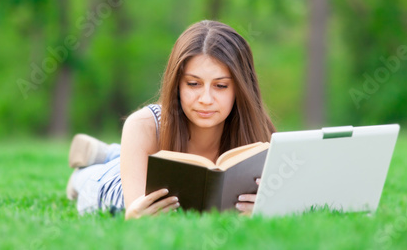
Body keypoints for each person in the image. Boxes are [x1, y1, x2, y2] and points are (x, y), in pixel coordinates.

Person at [66, 20, 275, 219]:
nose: (206, 99)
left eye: (221, 86)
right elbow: (134, 213)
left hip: (144, 155)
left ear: (241, 88)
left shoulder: (257, 129)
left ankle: (110, 152)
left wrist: (265, 206)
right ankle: (90, 168)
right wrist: (136, 214)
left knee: (126, 157)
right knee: (90, 180)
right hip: (117, 184)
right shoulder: (143, 125)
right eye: (193, 84)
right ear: (177, 84)